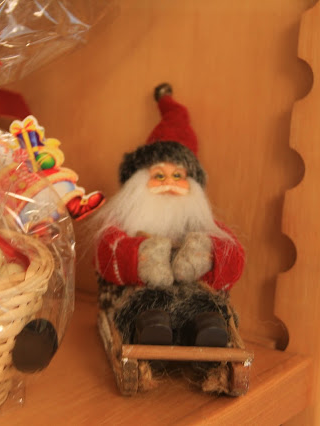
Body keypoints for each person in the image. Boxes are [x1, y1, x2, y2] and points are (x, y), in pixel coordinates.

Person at [93, 83, 245, 348]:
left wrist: (207, 255)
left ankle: (208, 330)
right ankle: (151, 328)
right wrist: (140, 257)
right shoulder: (124, 224)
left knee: (206, 308)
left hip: (196, 302)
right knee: (145, 307)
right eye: (159, 175)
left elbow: (234, 255)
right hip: (142, 302)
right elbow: (106, 249)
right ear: (138, 182)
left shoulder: (202, 225)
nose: (169, 183)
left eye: (178, 175)